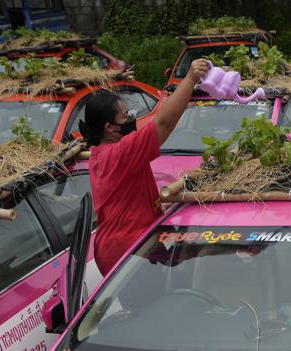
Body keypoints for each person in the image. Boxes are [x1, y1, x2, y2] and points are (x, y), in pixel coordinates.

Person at [79, 59, 211, 275]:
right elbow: (163, 124)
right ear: (110, 128)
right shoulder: (119, 153)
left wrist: (157, 208)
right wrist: (189, 79)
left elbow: (128, 198)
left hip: (119, 248)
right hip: (128, 253)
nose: (131, 118)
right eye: (125, 116)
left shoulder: (99, 154)